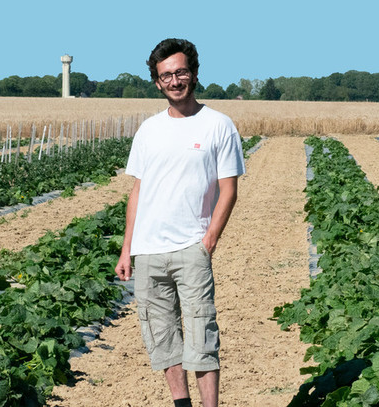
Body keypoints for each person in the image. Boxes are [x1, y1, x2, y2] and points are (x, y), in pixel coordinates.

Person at [115, 38, 245, 407]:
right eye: (166, 75)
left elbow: (228, 189)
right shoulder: (149, 130)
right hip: (148, 251)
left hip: (191, 249)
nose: (174, 81)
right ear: (157, 83)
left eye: (180, 72)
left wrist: (208, 242)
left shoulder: (218, 125)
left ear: (194, 74)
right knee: (162, 336)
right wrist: (127, 249)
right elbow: (138, 191)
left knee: (201, 334)